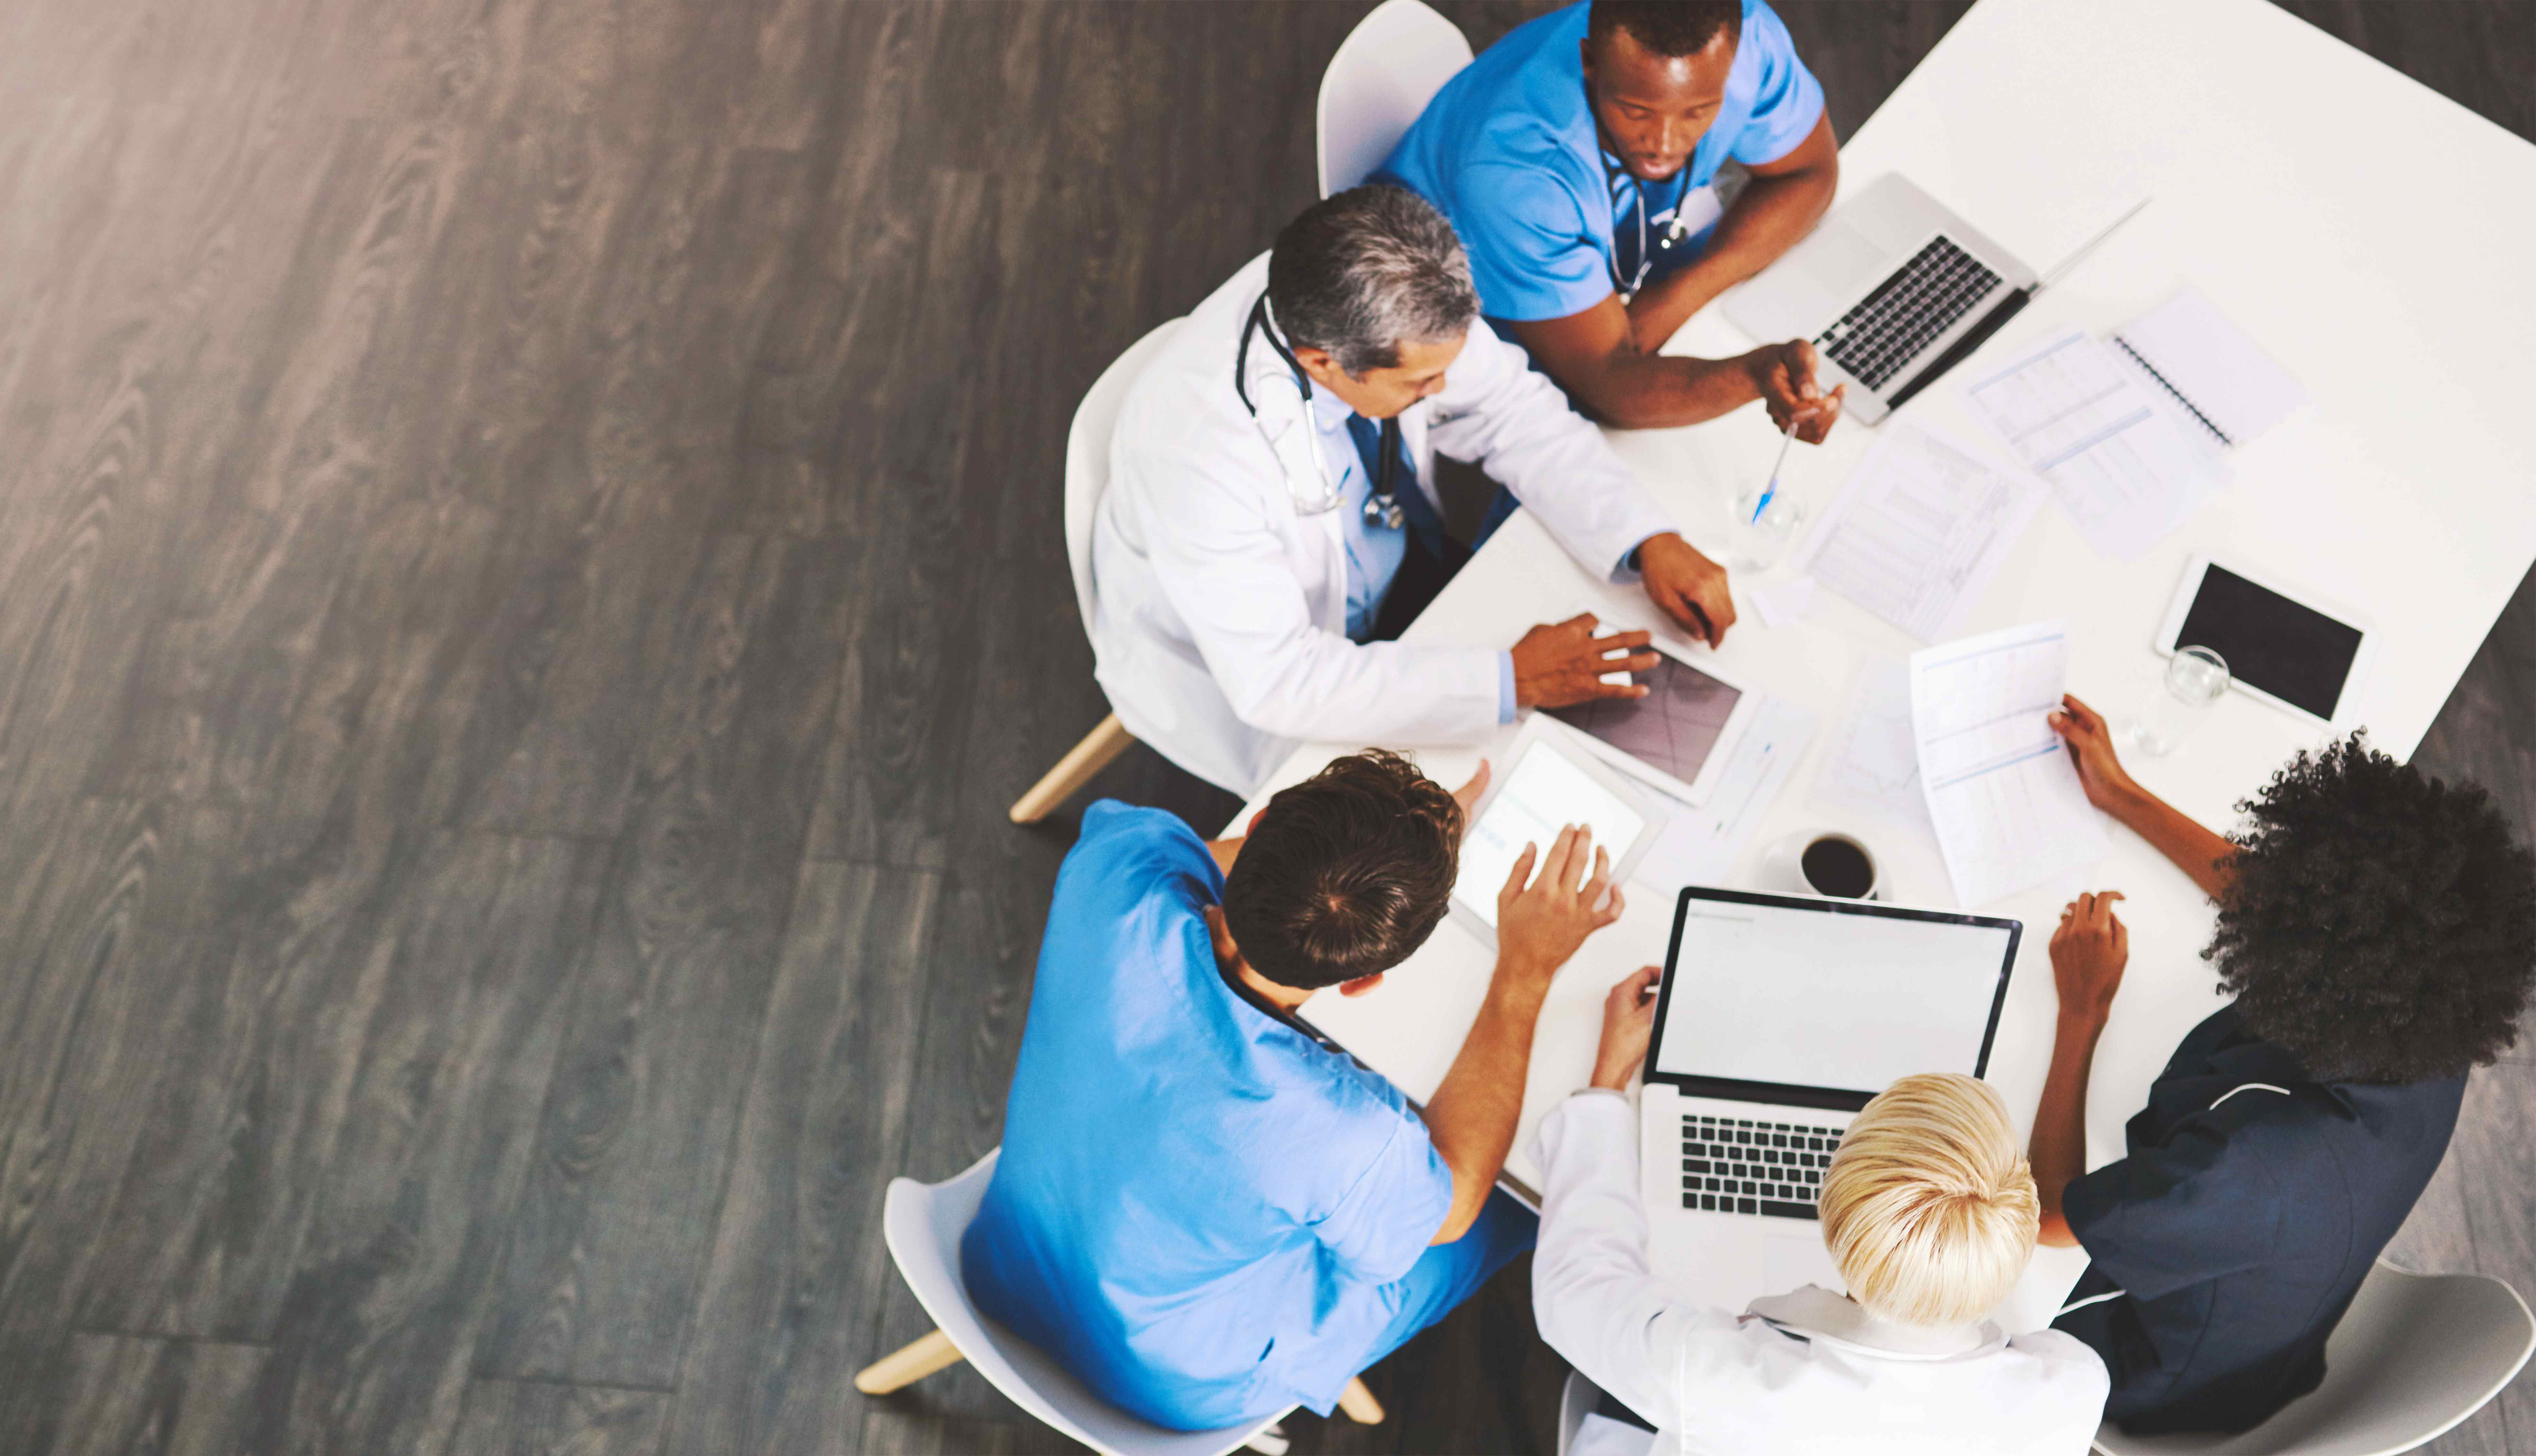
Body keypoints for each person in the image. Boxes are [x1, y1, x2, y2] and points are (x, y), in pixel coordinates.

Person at [962, 749, 1629, 1431]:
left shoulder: (1118, 870)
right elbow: (1452, 1209)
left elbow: (1201, 855)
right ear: (1362, 979)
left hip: (1004, 1260)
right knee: (1519, 1201)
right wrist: (1524, 970)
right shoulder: (1341, 1132)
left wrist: (1359, 850)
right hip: (1173, 1388)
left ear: (1255, 826)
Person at [1093, 183, 1736, 796]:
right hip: (1268, 679)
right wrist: (1506, 680)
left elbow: (1513, 410)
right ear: (1322, 362)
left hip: (1401, 574)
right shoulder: (1198, 459)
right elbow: (1279, 679)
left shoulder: (1398, 296)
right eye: (1419, 385)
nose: (1442, 392)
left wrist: (1645, 536)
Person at [2030, 699, 2536, 1435]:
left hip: (2137, 1375)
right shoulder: (2429, 1014)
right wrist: (2123, 795)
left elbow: (2048, 1215)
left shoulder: (2249, 1162)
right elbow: (2309, 905)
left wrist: (2082, 1012)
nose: (2258, 901)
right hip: (2277, 1304)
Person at [1531, 967, 2109, 1454]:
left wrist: (1606, 1087)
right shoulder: (2069, 1391)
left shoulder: (1718, 1377)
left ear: (1827, 1206)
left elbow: (1575, 1288)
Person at [1381, 0, 1844, 435]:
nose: (1664, 144)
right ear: (1589, 64)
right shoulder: (1514, 175)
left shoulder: (1749, 34)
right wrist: (1754, 374)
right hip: (1471, 297)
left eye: (1698, 111)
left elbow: (1809, 173)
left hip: (1615, 256)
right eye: (1636, 110)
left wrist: (1677, 296)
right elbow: (1608, 389)